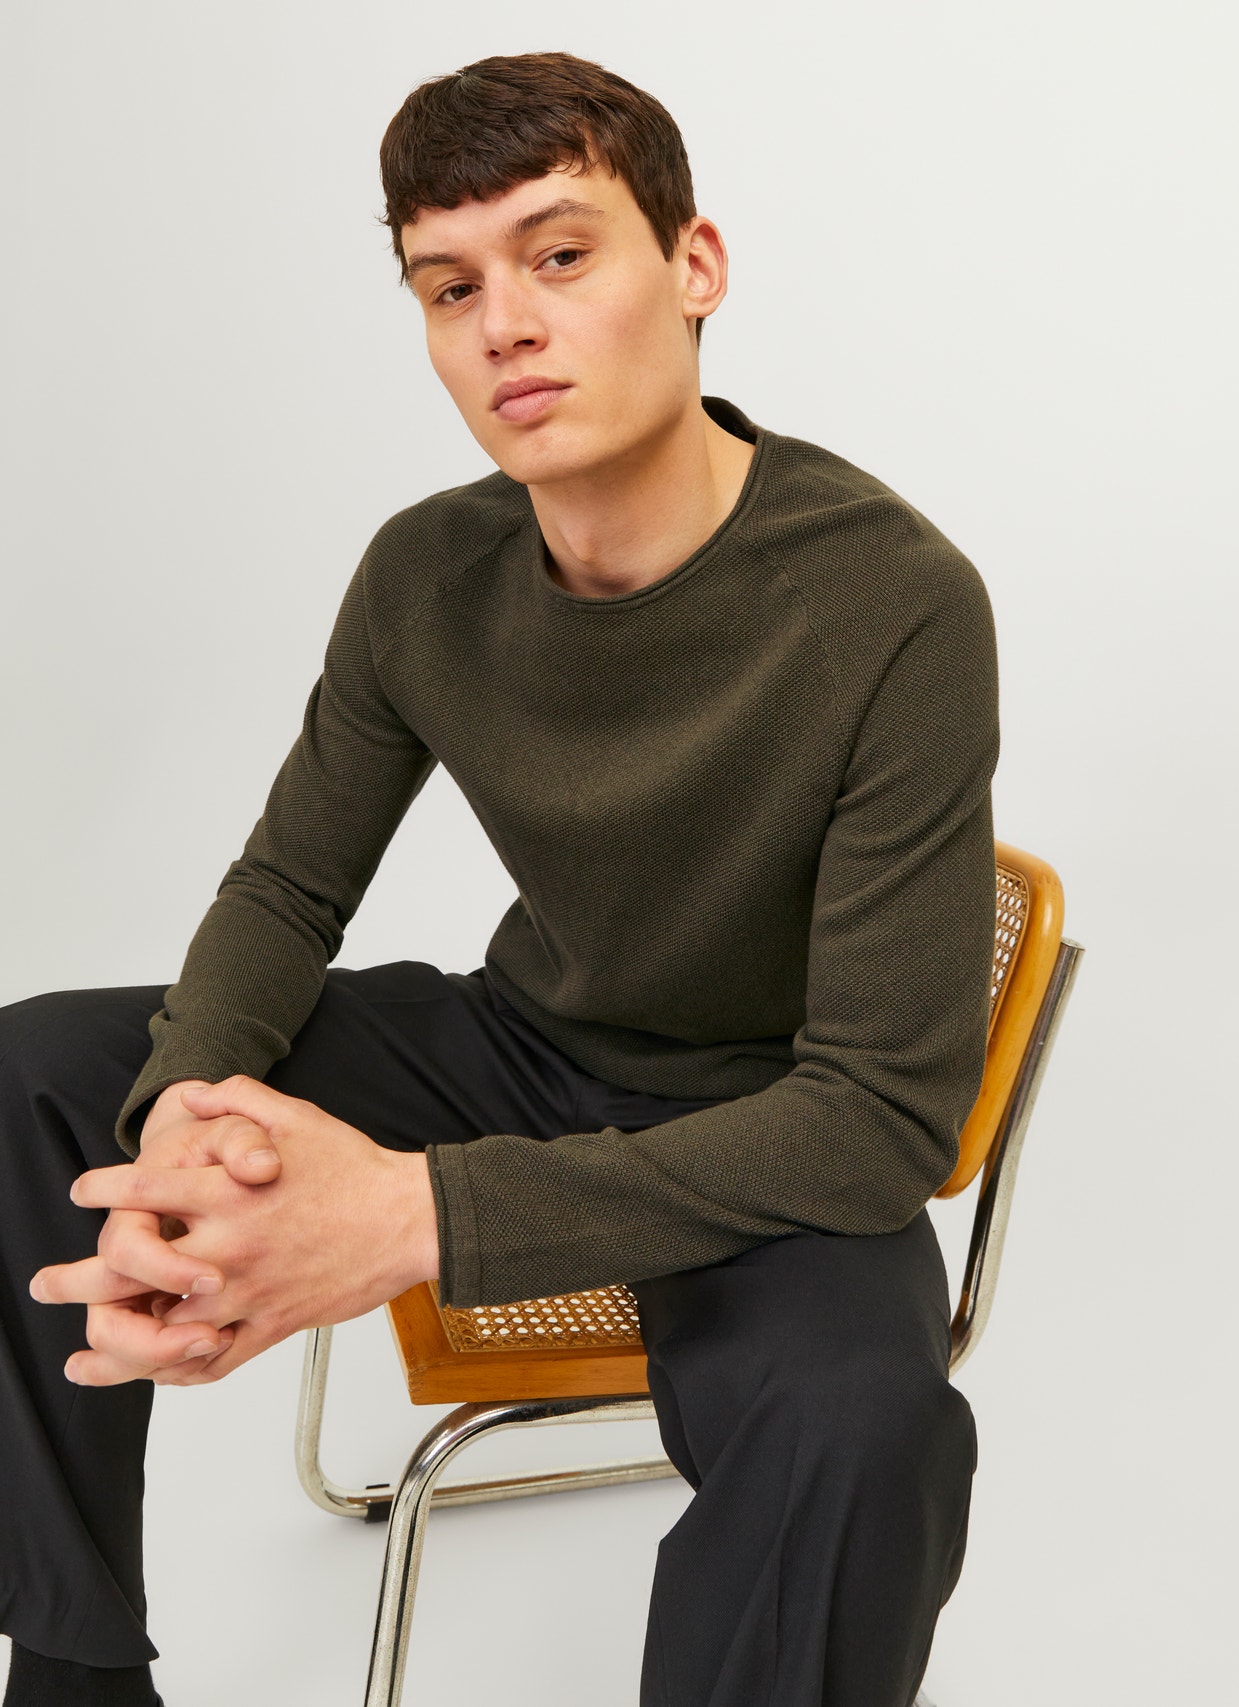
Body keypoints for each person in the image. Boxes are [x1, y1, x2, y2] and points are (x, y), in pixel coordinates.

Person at [0, 50, 998, 1707]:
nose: (505, 327)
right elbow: (287, 889)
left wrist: (414, 1215)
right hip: (521, 1051)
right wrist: (186, 1109)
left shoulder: (895, 602)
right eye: (450, 286)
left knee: (866, 1427)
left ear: (694, 266)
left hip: (771, 1123)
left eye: (561, 255)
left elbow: (883, 1118)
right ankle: (72, 1675)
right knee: (39, 1069)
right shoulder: (426, 571)